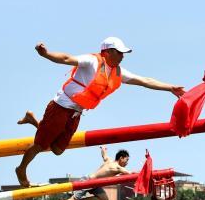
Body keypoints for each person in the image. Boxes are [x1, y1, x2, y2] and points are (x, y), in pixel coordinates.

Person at [14, 37, 185, 187]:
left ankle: (34, 120)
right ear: (108, 52)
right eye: (120, 52)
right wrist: (46, 53)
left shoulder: (118, 72)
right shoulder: (93, 61)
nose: (123, 56)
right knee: (40, 144)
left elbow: (144, 80)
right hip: (61, 106)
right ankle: (21, 170)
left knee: (58, 150)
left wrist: (169, 88)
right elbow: (66, 58)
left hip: (76, 112)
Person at [39, 147, 130, 200]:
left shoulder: (109, 161)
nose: (127, 163)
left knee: (104, 199)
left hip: (95, 184)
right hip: (88, 181)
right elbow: (130, 174)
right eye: (126, 160)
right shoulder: (117, 167)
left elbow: (104, 155)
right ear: (121, 158)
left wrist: (103, 149)